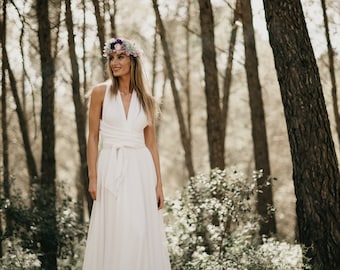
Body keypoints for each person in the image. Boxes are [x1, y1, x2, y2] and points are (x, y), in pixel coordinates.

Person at [82, 38, 171, 270]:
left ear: (132, 60)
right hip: (110, 165)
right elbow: (92, 136)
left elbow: (151, 144)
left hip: (140, 169)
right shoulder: (100, 93)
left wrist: (158, 185)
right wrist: (93, 176)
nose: (114, 62)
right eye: (111, 58)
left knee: (139, 230)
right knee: (115, 227)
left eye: (120, 57)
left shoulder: (147, 100)